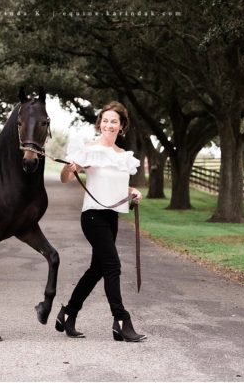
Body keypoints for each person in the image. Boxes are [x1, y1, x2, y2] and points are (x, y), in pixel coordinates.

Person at [54, 101, 146, 342]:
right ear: (99, 124)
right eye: (105, 120)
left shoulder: (122, 156)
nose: (108, 124)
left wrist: (132, 190)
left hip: (111, 217)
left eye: (114, 121)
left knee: (97, 270)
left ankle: (68, 313)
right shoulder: (90, 151)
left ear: (121, 125)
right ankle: (121, 320)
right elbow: (65, 178)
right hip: (93, 216)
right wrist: (70, 168)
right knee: (113, 266)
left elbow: (114, 184)